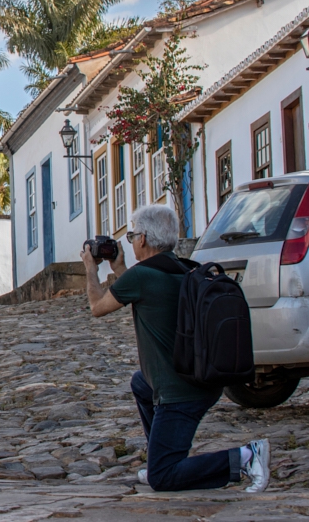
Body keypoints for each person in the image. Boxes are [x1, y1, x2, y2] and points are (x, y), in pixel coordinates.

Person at [81, 204, 270, 493]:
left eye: (132, 236)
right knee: (141, 383)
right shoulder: (184, 268)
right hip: (203, 379)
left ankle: (245, 458)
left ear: (143, 239)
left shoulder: (142, 277)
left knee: (162, 477)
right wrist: (119, 268)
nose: (130, 241)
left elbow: (97, 307)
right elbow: (140, 287)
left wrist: (90, 269)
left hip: (180, 393)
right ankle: (162, 452)